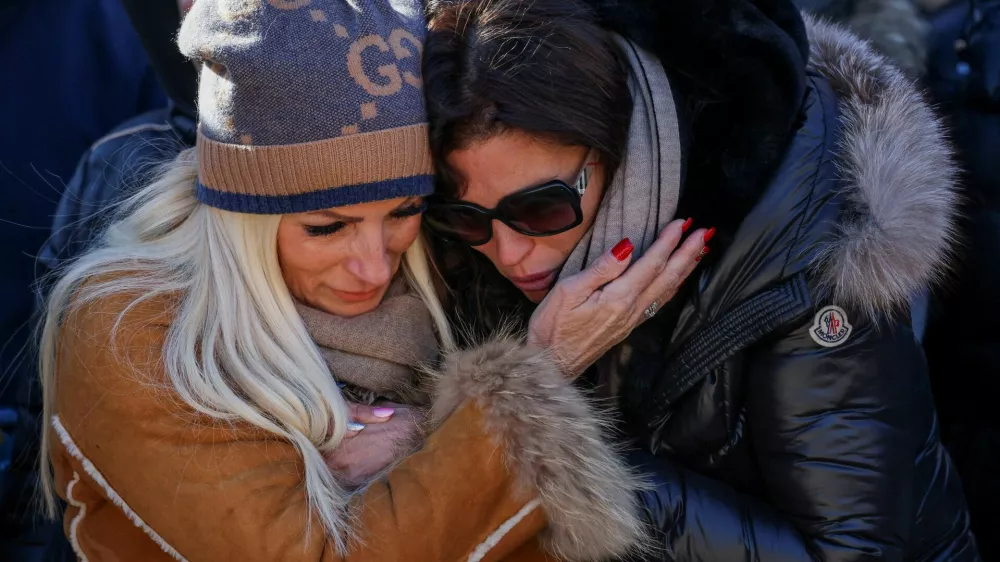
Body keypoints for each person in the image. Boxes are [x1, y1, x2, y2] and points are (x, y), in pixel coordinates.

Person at [37, 0, 700, 559]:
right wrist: (537, 374)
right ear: (245, 215)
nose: (375, 267)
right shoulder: (128, 326)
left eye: (404, 211)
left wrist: (422, 436)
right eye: (326, 228)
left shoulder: (453, 257)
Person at [422, 0, 980, 559]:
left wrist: (560, 458)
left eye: (541, 207)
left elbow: (855, 552)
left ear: (621, 154)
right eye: (466, 217)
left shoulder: (806, 258)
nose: (510, 252)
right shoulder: (463, 260)